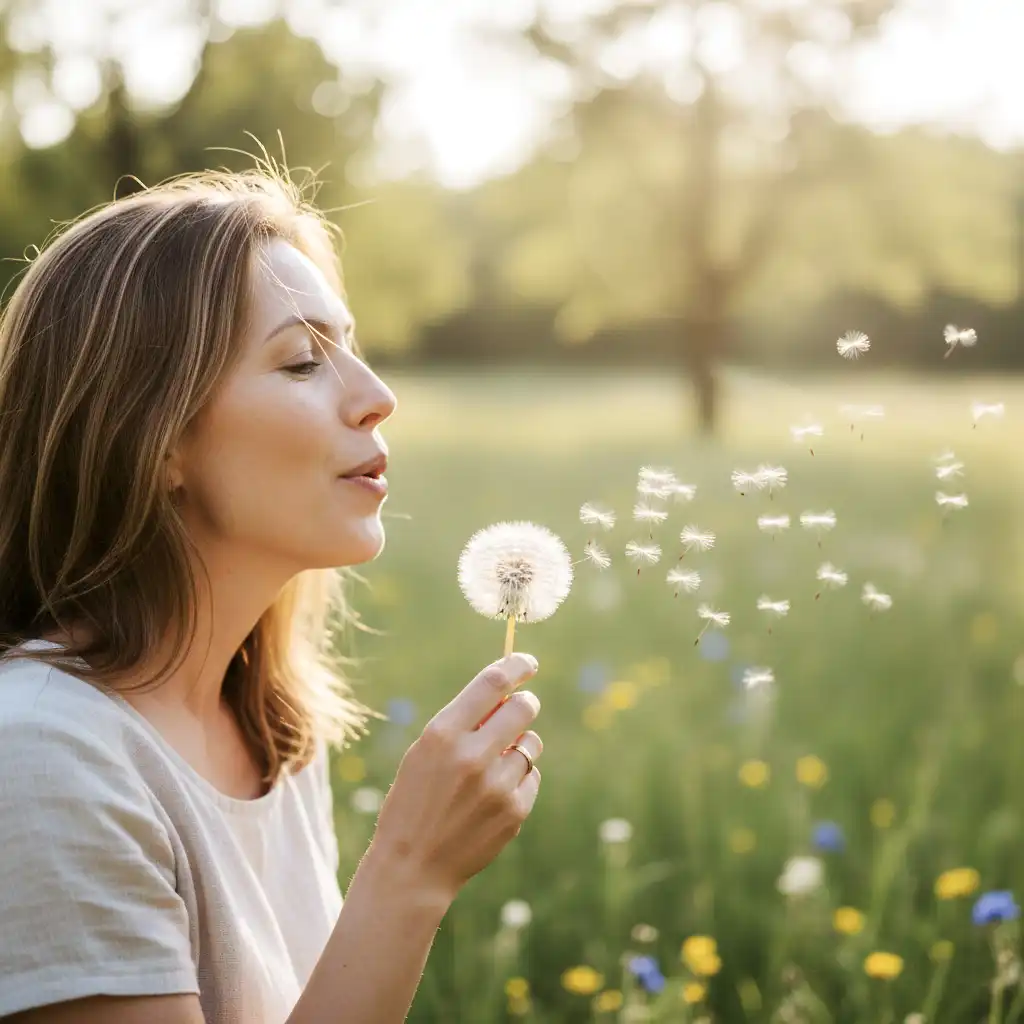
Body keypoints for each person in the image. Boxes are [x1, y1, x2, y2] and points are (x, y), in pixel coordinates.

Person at [0, 169, 544, 1024]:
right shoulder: (42, 761)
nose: (377, 397)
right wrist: (409, 873)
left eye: (354, 348)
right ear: (155, 440)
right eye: (301, 361)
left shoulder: (270, 733)